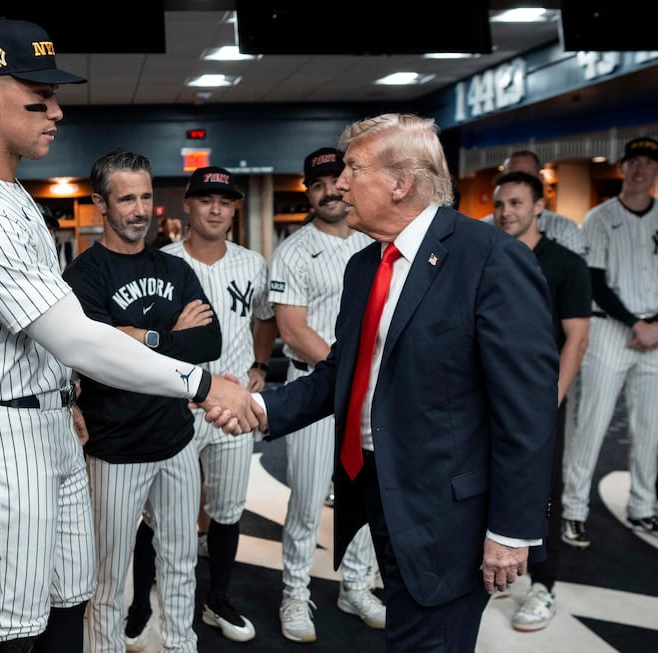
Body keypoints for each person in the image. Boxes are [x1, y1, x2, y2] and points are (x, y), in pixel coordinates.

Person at [0, 18, 257, 653]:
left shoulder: (6, 188)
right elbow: (80, 338)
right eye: (38, 98)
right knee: (16, 630)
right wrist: (205, 383)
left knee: (75, 597)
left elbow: (58, 339)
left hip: (48, 421)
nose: (57, 112)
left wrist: (63, 396)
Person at [240, 113, 559, 652]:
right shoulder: (366, 265)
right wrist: (261, 407)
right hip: (383, 496)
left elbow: (526, 409)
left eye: (353, 169)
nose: (339, 182)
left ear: (401, 182)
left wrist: (511, 532)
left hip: (449, 515)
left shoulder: (490, 260)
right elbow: (346, 370)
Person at [62, 150, 222, 653]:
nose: (138, 209)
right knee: (108, 577)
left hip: (175, 440)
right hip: (114, 447)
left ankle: (180, 645)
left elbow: (208, 343)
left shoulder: (172, 268)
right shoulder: (84, 277)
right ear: (100, 204)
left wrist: (138, 337)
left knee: (180, 562)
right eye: (126, 198)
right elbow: (96, 355)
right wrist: (167, 333)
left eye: (146, 196)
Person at [123, 166, 277, 647]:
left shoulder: (252, 263)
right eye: (206, 200)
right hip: (176, 404)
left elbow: (265, 320)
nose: (216, 208)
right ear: (186, 206)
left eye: (225, 201)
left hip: (232, 404)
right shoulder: (160, 261)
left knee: (228, 509)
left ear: (234, 209)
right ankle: (142, 603)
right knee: (158, 515)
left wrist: (262, 365)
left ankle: (218, 599)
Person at [267, 147, 384, 642]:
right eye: (317, 185)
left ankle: (356, 584)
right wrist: (346, 373)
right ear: (308, 194)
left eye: (337, 180)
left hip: (373, 394)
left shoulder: (378, 243)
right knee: (309, 497)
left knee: (368, 492)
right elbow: (292, 331)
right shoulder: (294, 250)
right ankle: (295, 591)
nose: (330, 190)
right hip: (315, 387)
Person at [493, 170, 591, 631]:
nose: (506, 212)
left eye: (516, 203)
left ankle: (544, 585)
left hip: (540, 400)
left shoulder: (565, 263)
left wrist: (551, 399)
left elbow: (576, 337)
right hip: (491, 397)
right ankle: (502, 567)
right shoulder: (488, 256)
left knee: (541, 492)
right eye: (500, 205)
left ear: (539, 208)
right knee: (489, 483)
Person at [561, 136, 658, 547]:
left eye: (649, 163)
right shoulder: (599, 217)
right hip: (609, 331)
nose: (641, 169)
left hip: (655, 333)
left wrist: (652, 325)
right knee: (592, 423)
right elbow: (595, 282)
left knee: (650, 427)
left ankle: (643, 507)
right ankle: (573, 509)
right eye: (634, 161)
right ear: (623, 167)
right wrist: (636, 322)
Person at [481, 150, 586, 257]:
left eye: (526, 176)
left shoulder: (564, 228)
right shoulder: (483, 228)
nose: (505, 213)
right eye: (512, 176)